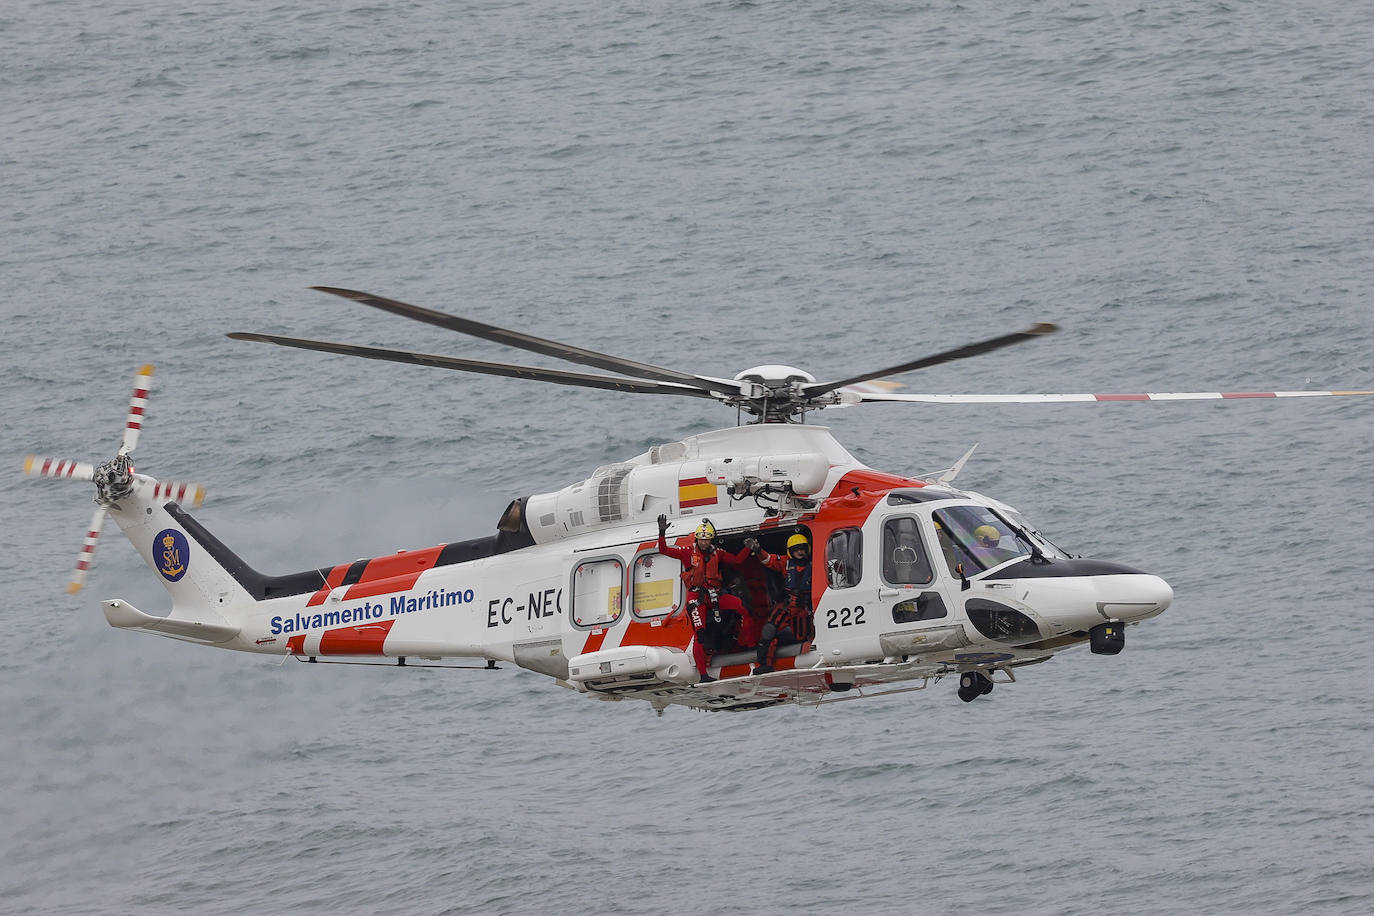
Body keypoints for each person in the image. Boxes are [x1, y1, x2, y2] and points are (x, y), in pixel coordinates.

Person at [657, 514, 750, 683]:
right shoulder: (687, 553)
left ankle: (747, 644)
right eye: (701, 539)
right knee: (700, 634)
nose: (704, 542)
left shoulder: (718, 553)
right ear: (697, 539)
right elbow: (663, 550)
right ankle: (703, 675)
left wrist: (749, 547)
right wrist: (662, 533)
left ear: (711, 540)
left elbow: (737, 560)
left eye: (707, 540)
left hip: (714, 594)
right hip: (696, 597)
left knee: (741, 606)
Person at [746, 532, 817, 675]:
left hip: (804, 608)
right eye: (796, 549)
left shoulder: (815, 565)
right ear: (790, 551)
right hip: (786, 605)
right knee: (768, 631)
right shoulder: (785, 562)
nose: (800, 552)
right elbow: (769, 560)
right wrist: (758, 550)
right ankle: (765, 664)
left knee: (803, 637)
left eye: (802, 548)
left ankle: (809, 661)